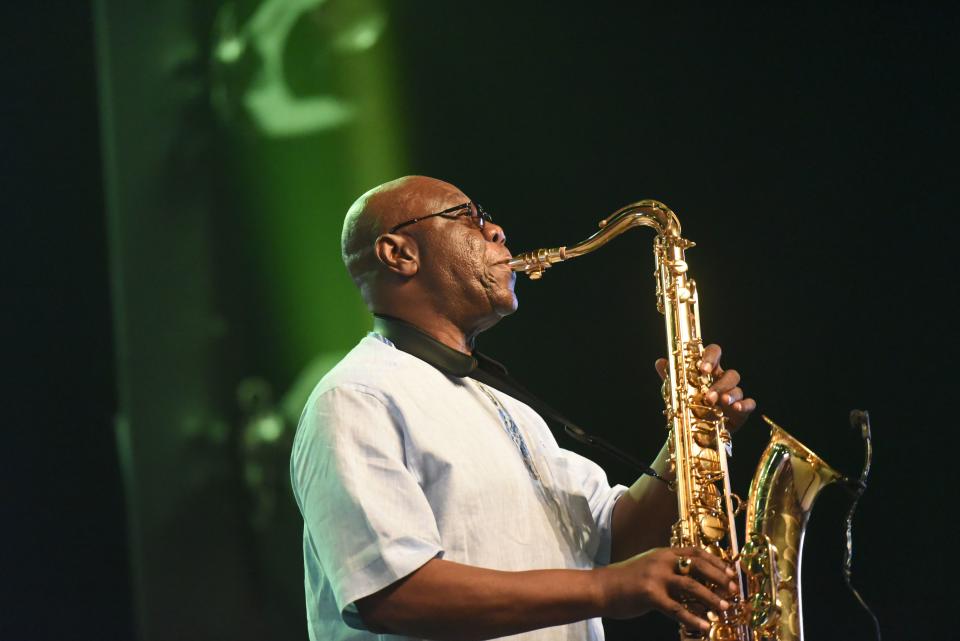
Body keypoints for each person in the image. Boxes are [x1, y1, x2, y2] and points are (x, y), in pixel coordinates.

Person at [290, 176, 756, 641]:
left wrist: (694, 433)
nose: (497, 232)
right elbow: (393, 595)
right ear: (400, 254)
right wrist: (606, 588)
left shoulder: (504, 405)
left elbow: (612, 540)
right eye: (469, 218)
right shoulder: (356, 397)